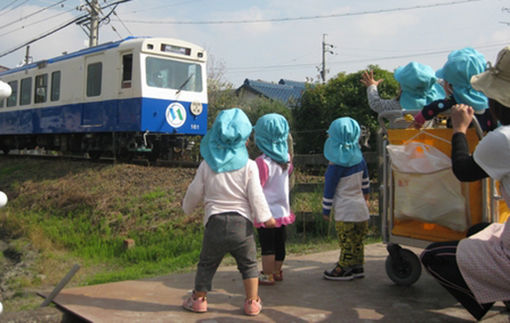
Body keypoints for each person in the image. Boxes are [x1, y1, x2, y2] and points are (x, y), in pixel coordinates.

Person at [420, 45, 510, 320]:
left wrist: (459, 129)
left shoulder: (502, 139)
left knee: (433, 256)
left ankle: (497, 294)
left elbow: (463, 170)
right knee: (479, 228)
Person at [181, 108, 276, 316]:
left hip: (214, 223)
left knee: (206, 264)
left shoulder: (207, 165)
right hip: (242, 226)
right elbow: (256, 195)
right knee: (249, 265)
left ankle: (198, 300)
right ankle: (252, 302)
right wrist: (265, 217)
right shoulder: (250, 166)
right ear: (245, 139)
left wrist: (187, 208)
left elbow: (195, 190)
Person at [321, 117, 371, 280]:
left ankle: (343, 268)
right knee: (357, 242)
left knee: (346, 243)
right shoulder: (360, 161)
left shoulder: (334, 167)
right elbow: (366, 184)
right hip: (361, 210)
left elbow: (329, 191)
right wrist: (366, 198)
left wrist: (326, 210)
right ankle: (358, 266)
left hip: (345, 211)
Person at [252, 113, 295, 286]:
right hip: (282, 211)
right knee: (279, 244)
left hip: (267, 213)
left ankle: (267, 274)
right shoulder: (286, 160)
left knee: (267, 246)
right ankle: (277, 271)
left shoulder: (262, 163)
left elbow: (257, 188)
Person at [413, 47, 496, 131]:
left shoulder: (455, 103)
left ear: (450, 86)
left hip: (460, 141)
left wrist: (420, 118)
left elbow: (434, 107)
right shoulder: (488, 103)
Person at [360, 62, 445, 127]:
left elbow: (376, 104)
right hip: (427, 145)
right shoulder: (435, 105)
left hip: (400, 146)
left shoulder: (395, 105)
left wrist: (372, 86)